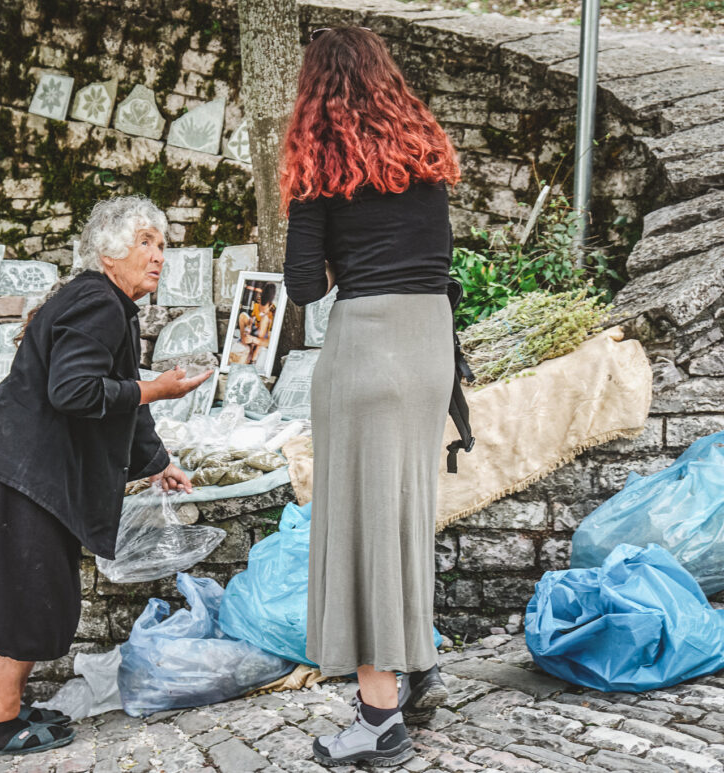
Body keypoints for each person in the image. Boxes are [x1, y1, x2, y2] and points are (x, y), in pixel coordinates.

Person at [0, 195, 212, 758]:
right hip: (13, 469)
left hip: (17, 469)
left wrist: (158, 462)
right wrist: (157, 387)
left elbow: (123, 403)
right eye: (146, 242)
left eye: (162, 245)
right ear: (109, 252)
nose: (159, 256)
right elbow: (76, 391)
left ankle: (4, 709)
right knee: (18, 596)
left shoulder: (108, 304)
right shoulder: (98, 301)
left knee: (30, 591)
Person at [281, 26, 462, 768]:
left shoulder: (321, 166)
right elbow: (438, 253)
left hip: (367, 349)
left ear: (314, 92)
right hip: (429, 346)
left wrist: (326, 240)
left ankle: (377, 716)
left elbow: (301, 286)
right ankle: (416, 663)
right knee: (405, 513)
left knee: (358, 527)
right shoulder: (424, 154)